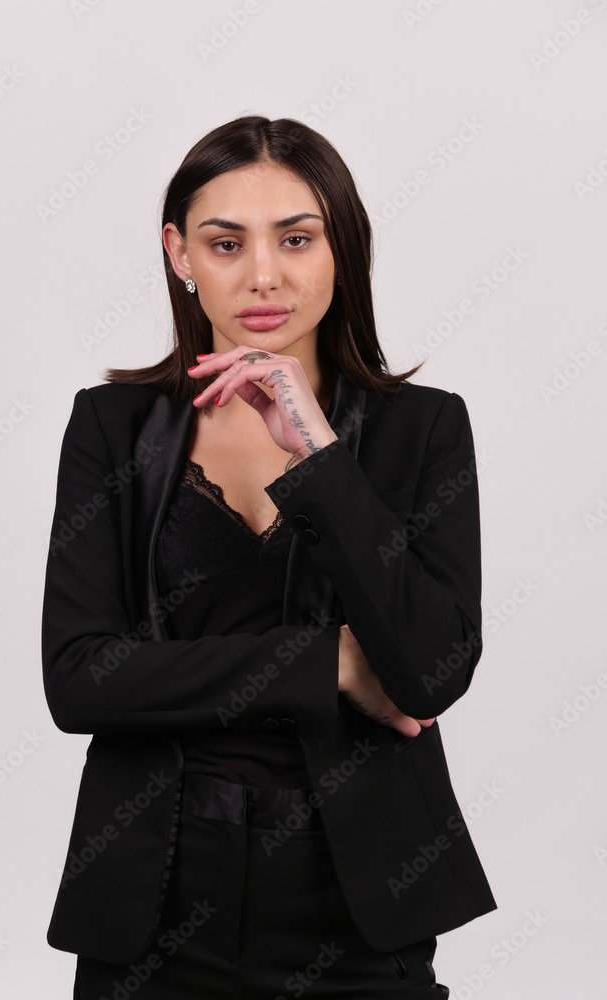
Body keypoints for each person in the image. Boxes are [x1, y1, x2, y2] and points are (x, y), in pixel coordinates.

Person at [41, 115, 497, 999]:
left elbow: (433, 671)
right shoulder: (111, 429)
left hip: (361, 908)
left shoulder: (425, 428)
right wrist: (328, 664)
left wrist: (320, 456)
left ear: (343, 248)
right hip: (152, 905)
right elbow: (80, 680)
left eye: (296, 238)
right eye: (225, 243)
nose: (262, 275)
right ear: (179, 253)